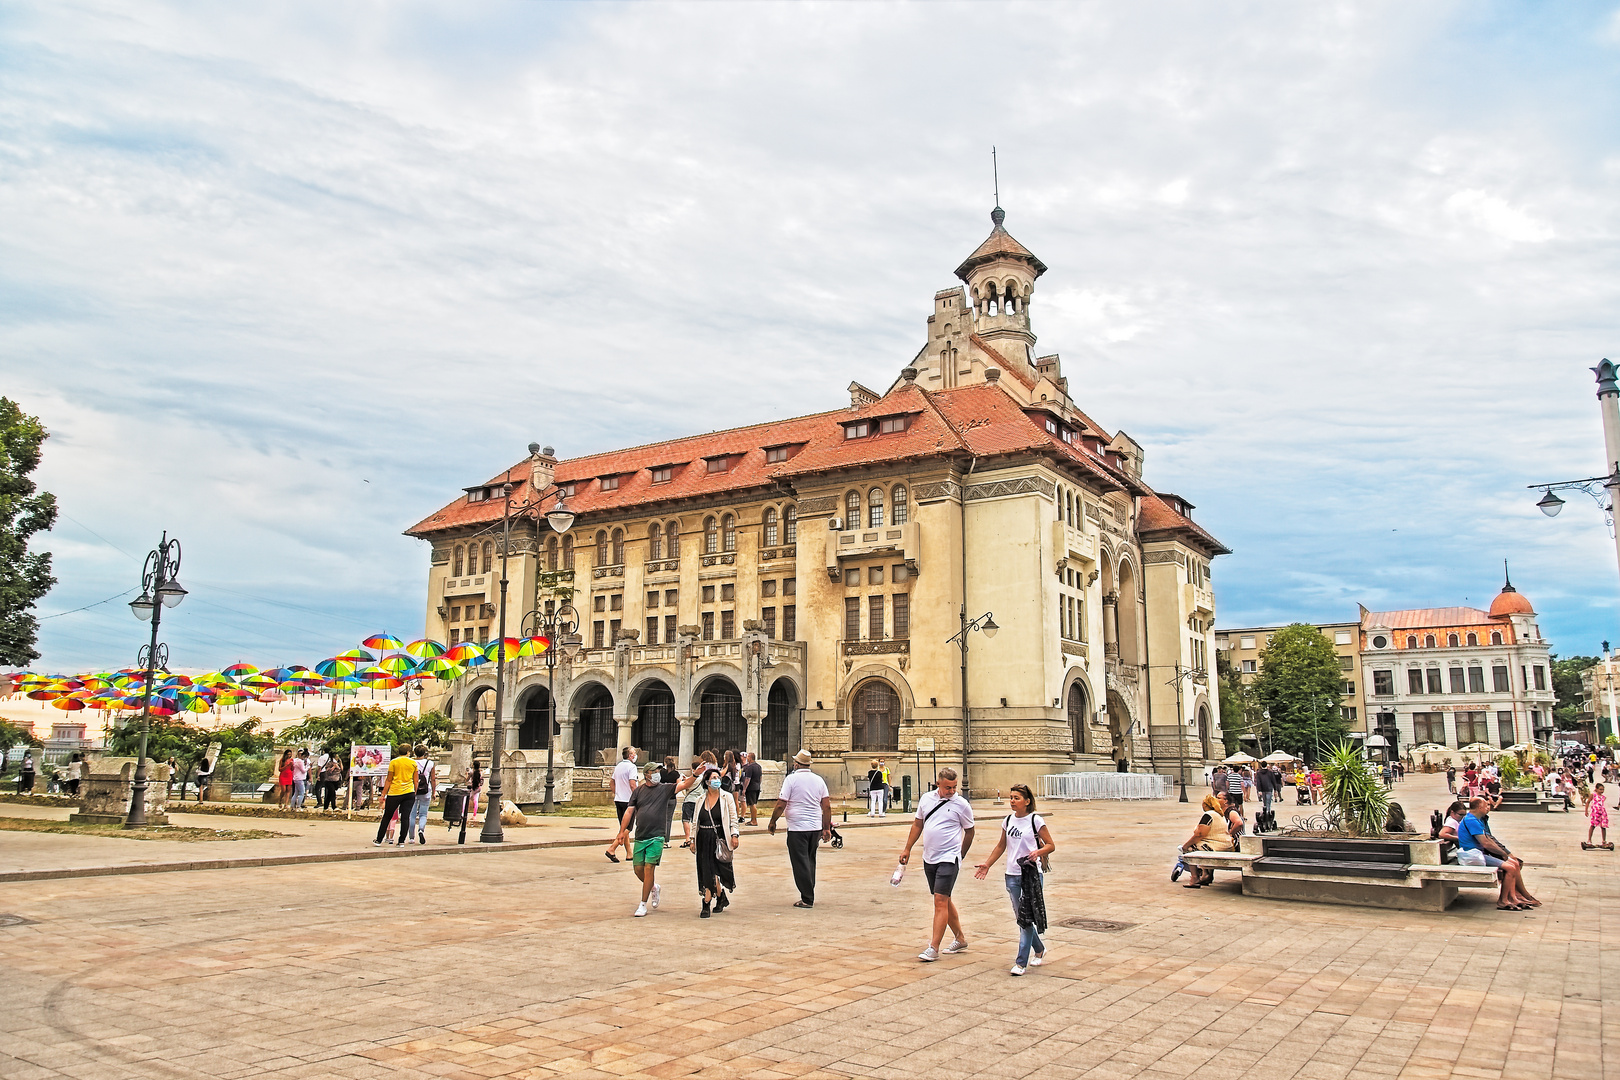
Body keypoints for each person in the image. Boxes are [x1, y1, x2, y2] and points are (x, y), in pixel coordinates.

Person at [973, 783, 1055, 976]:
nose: (1012, 801)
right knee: (1022, 918)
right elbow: (1001, 846)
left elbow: (1051, 845)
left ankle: (1020, 963)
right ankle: (1039, 948)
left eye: (1016, 798)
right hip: (1012, 874)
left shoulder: (1036, 820)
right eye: (1011, 798)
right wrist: (987, 864)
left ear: (1027, 801)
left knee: (1026, 918)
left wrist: (1038, 852)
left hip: (1030, 875)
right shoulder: (1008, 821)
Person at [900, 767, 976, 962]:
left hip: (949, 858)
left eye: (954, 787)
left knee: (940, 901)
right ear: (938, 784)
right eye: (948, 787)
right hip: (930, 857)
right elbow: (918, 824)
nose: (952, 791)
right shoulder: (927, 799)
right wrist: (907, 848)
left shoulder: (961, 805)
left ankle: (933, 947)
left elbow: (970, 831)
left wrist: (960, 854)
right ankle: (960, 938)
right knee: (943, 899)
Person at [617, 763, 696, 916]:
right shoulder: (639, 791)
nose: (658, 774)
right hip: (641, 835)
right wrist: (622, 832)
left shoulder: (664, 789)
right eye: (655, 771)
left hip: (657, 836)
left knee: (649, 868)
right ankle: (653, 887)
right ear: (647, 774)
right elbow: (629, 811)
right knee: (638, 869)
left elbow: (684, 784)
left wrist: (696, 775)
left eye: (659, 771)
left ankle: (642, 904)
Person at [768, 749, 831, 908]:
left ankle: (807, 897)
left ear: (797, 764)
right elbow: (827, 806)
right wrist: (826, 828)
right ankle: (809, 891)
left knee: (800, 862)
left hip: (797, 828)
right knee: (810, 860)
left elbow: (781, 803)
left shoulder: (791, 779)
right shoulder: (819, 780)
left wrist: (773, 821)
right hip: (814, 827)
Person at [1453, 797, 1537, 910]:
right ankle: (1503, 900)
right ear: (1479, 807)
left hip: (1479, 854)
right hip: (1472, 856)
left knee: (1514, 864)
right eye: (1486, 805)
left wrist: (1505, 854)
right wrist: (1503, 854)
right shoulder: (1471, 820)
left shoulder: (1477, 819)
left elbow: (1489, 839)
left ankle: (1513, 897)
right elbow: (1485, 843)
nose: (1488, 807)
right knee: (1510, 868)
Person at [1177, 794, 1236, 888]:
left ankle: (1194, 878)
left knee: (1191, 849)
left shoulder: (1208, 815)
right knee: (1202, 846)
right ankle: (1206, 875)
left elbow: (1200, 834)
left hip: (1218, 845)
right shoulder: (1219, 814)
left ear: (1205, 805)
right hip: (1226, 844)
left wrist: (1186, 845)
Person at [373, 745, 417, 847]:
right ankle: (401, 841)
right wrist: (414, 791)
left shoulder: (394, 762)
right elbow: (415, 779)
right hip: (409, 792)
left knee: (387, 816)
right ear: (408, 752)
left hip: (395, 792)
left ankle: (379, 839)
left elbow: (389, 779)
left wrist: (383, 793)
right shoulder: (413, 763)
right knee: (405, 817)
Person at [606, 747, 639, 863]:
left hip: (619, 799)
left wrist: (617, 793)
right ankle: (612, 848)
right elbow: (632, 784)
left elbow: (611, 782)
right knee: (627, 828)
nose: (635, 755)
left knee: (623, 827)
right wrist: (637, 797)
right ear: (630, 755)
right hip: (629, 801)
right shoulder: (632, 767)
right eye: (634, 753)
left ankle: (629, 853)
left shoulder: (618, 766)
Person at [409, 744, 436, 844]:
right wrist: (434, 792)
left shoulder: (411, 762)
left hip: (413, 789)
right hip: (426, 790)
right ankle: (421, 829)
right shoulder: (430, 763)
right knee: (423, 814)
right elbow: (433, 779)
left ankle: (411, 837)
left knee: (411, 814)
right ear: (425, 753)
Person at [1585, 782, 1611, 848]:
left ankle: (1604, 840)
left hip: (1602, 813)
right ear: (1596, 789)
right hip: (1595, 813)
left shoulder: (1603, 797)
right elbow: (1588, 802)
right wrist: (1586, 811)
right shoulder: (1593, 795)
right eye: (1600, 789)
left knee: (1603, 827)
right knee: (1592, 826)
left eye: (1602, 790)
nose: (1601, 791)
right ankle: (1589, 840)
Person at [741, 751, 763, 826]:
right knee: (753, 803)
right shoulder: (758, 766)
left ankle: (754, 820)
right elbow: (760, 777)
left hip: (751, 787)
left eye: (747, 757)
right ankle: (753, 819)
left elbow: (747, 779)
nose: (747, 759)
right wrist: (759, 785)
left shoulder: (750, 767)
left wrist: (744, 789)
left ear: (750, 758)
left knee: (752, 804)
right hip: (757, 786)